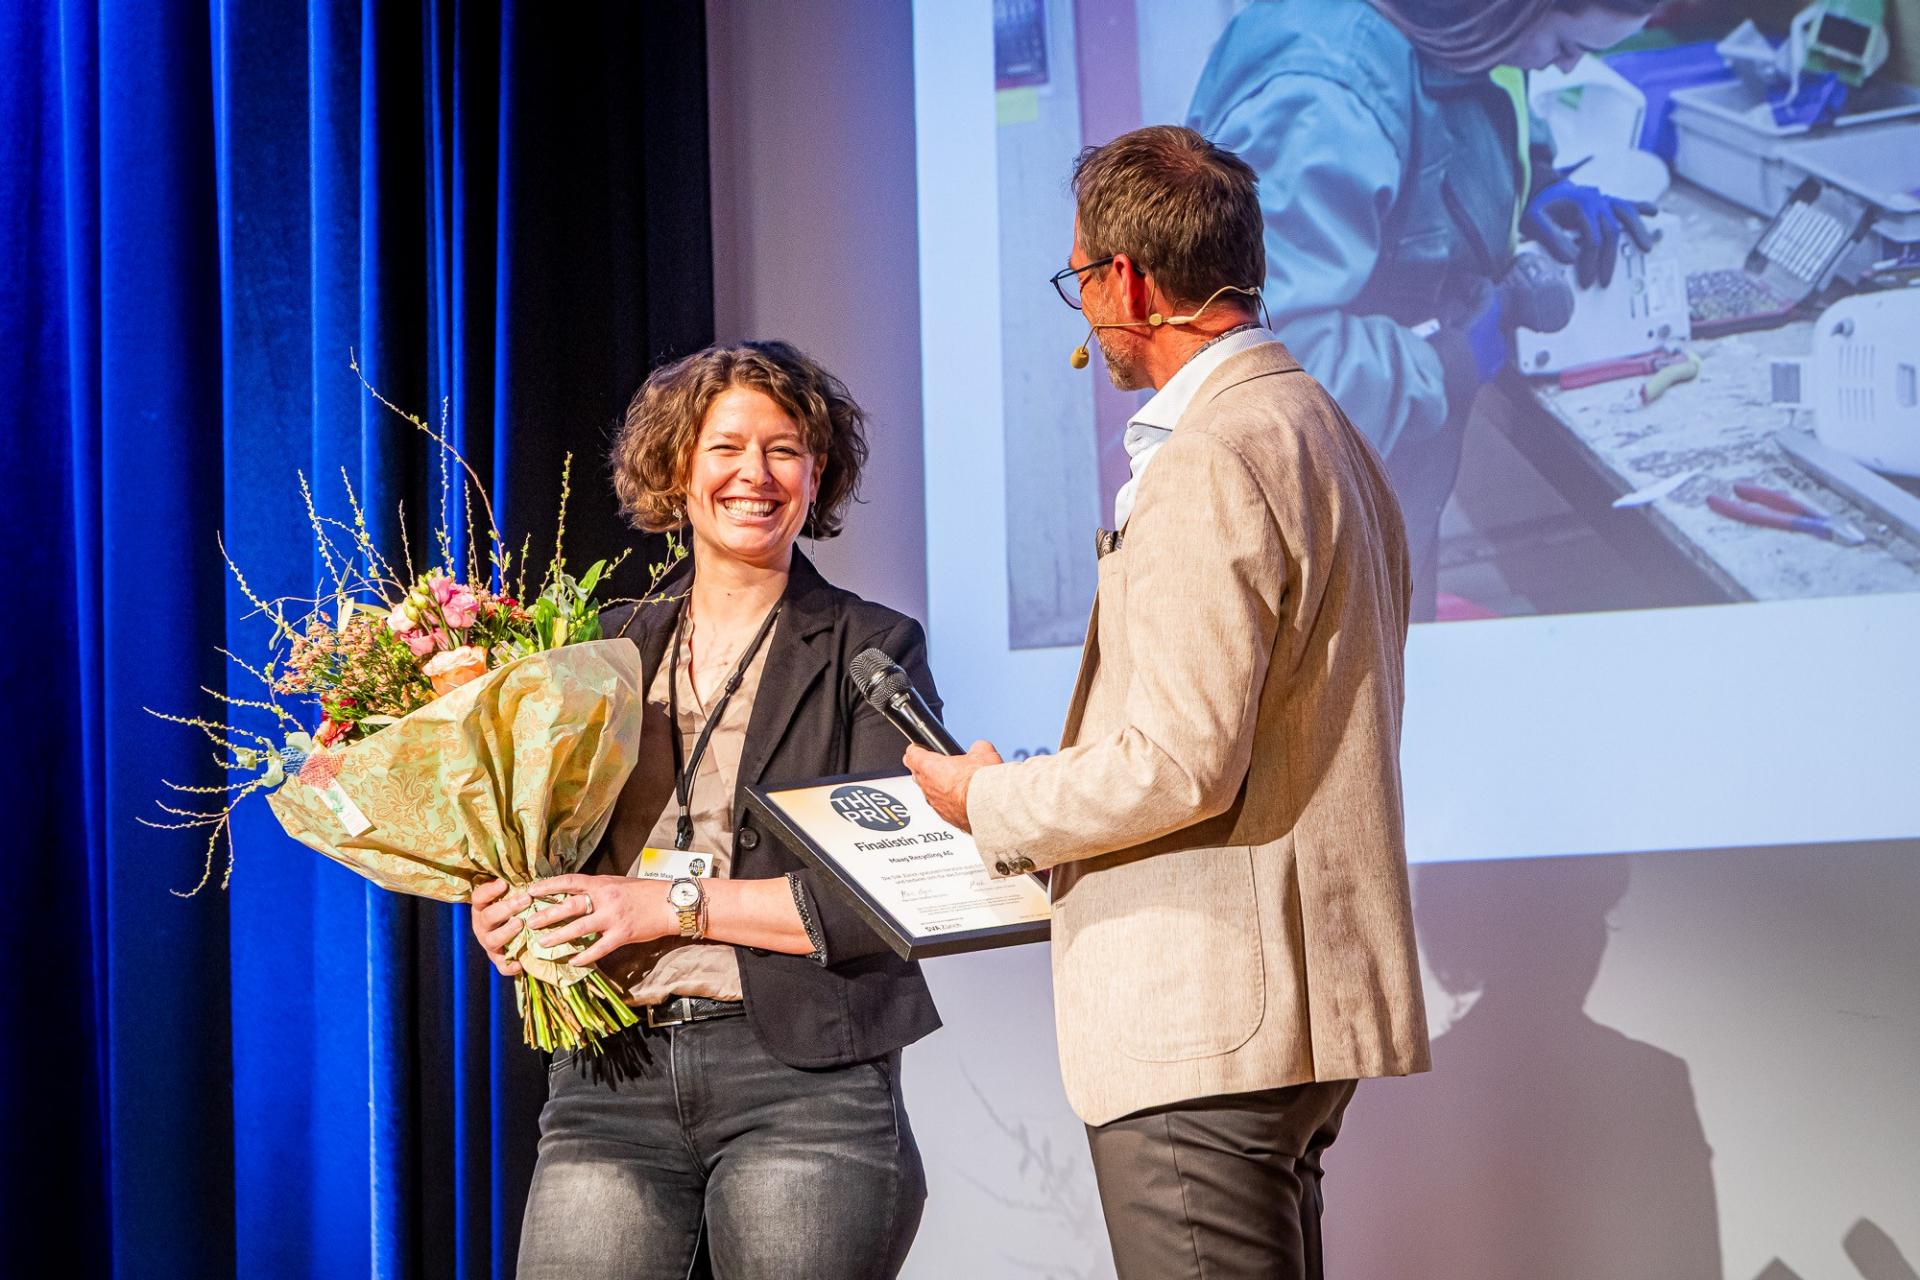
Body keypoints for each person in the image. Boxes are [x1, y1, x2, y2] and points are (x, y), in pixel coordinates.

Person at [906, 126, 1429, 1280]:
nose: (1084, 310)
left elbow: (1180, 760)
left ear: (1128, 281)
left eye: (1080, 277)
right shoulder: (1325, 427)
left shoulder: (1215, 450)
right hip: (1278, 1010)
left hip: (1208, 1017)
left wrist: (988, 795)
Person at [470, 341, 941, 1280]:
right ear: (676, 466)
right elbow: (541, 831)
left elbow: (889, 891)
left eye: (785, 449)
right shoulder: (599, 644)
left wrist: (669, 907)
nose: (755, 476)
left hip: (803, 1083)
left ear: (817, 475)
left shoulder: (870, 646)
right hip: (610, 1071)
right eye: (727, 447)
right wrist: (508, 904)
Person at [1186, 0, 1661, 619]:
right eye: (1569, 46)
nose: (1564, 68)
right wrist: (1446, 363)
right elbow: (1251, 375)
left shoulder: (1460, 28)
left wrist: (1528, 185)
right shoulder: (1329, 97)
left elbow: (1472, 113)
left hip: (1378, 478)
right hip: (1295, 520)